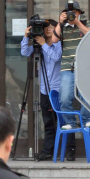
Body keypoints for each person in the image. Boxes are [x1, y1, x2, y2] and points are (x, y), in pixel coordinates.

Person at [52, 0, 90, 161]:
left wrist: (77, 22)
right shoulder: (62, 27)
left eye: (74, 12)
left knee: (86, 96)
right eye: (69, 13)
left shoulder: (84, 23)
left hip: (84, 67)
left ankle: (86, 120)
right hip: (66, 68)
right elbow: (54, 40)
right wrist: (60, 22)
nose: (71, 15)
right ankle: (70, 122)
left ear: (79, 13)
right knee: (64, 97)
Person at [21, 19, 61, 161]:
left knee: (63, 121)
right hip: (44, 90)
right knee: (48, 123)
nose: (49, 29)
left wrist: (44, 44)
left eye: (52, 26)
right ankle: (48, 151)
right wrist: (26, 36)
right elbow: (25, 52)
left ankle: (67, 150)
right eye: (46, 27)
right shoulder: (39, 46)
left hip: (58, 89)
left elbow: (56, 57)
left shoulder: (59, 44)